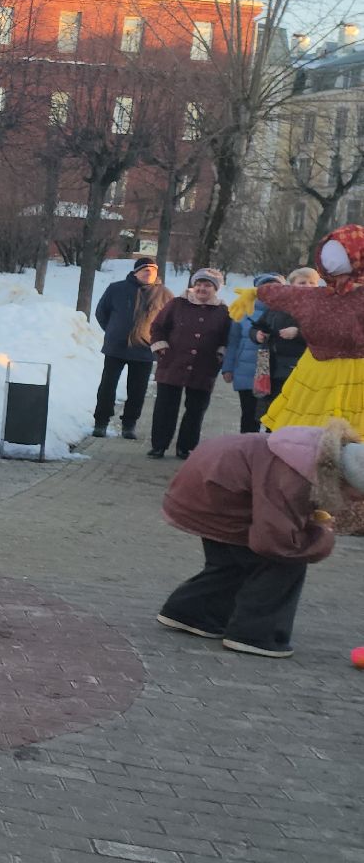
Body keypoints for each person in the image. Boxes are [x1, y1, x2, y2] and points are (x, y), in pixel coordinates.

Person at [155, 419, 360, 658]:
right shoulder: (295, 476)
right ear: (344, 480)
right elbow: (276, 542)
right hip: (216, 495)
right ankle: (254, 634)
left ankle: (190, 613)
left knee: (233, 561)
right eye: (356, 496)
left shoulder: (314, 455)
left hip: (205, 488)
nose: (356, 502)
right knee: (284, 562)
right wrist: (322, 535)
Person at [257, 227, 364, 434]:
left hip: (354, 370)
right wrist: (256, 292)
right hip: (315, 369)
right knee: (306, 429)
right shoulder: (318, 296)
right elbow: (284, 293)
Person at [147, 268, 231, 459]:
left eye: (208, 285)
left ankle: (186, 447)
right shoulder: (177, 304)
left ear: (215, 289)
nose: (202, 288)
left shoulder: (223, 311)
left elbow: (227, 337)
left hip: (204, 366)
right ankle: (159, 445)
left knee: (196, 410)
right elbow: (158, 327)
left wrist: (221, 352)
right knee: (165, 407)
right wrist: (161, 346)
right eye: (199, 284)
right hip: (172, 362)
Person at [92, 257, 172, 439]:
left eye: (153, 270)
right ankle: (101, 423)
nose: (149, 273)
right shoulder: (116, 289)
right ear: (136, 272)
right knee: (107, 387)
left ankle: (129, 425)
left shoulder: (164, 294)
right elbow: (101, 312)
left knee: (137, 391)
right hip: (116, 348)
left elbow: (170, 322)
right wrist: (113, 330)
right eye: (145, 270)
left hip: (144, 350)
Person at [251, 267, 319, 417]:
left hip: (301, 369)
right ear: (291, 285)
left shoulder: (320, 309)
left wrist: (298, 333)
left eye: (312, 283)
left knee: (294, 416)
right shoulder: (278, 306)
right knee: (272, 415)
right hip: (272, 368)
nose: (307, 286)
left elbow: (324, 334)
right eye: (302, 282)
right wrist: (257, 334)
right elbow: (257, 326)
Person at [221, 273, 281, 433]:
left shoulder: (287, 311)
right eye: (266, 287)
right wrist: (227, 368)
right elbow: (233, 342)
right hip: (246, 372)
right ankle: (246, 452)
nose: (271, 291)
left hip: (277, 373)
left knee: (275, 417)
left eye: (276, 287)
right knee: (249, 416)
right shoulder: (245, 309)